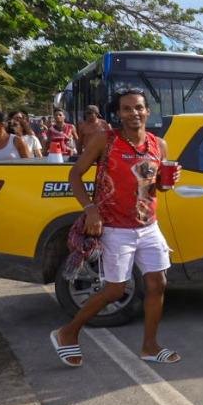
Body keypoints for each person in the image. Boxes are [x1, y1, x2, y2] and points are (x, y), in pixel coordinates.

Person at [49, 88, 181, 367]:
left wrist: (169, 181)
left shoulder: (160, 145)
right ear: (118, 113)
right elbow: (75, 174)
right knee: (115, 289)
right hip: (115, 227)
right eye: (127, 109)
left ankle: (149, 346)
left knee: (158, 283)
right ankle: (67, 333)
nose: (134, 113)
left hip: (148, 225)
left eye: (139, 108)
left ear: (147, 111)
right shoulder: (105, 140)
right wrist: (90, 208)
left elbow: (155, 187)